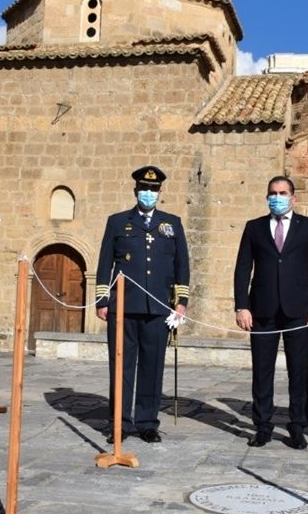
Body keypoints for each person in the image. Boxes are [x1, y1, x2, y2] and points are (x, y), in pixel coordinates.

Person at [95, 165, 189, 443]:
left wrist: (181, 302)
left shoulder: (172, 223)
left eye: (153, 189)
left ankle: (148, 422)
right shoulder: (117, 222)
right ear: (136, 190)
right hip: (123, 307)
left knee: (153, 366)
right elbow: (104, 264)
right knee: (121, 366)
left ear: (160, 192)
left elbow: (181, 265)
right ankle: (119, 424)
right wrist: (103, 299)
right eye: (144, 189)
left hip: (158, 307)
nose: (149, 193)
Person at [234, 176, 308, 450]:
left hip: (298, 310)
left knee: (298, 371)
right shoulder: (254, 228)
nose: (277, 197)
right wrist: (242, 306)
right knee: (262, 371)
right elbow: (243, 268)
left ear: (293, 198)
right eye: (273, 193)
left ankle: (297, 426)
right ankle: (262, 425)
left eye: (283, 192)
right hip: (262, 310)